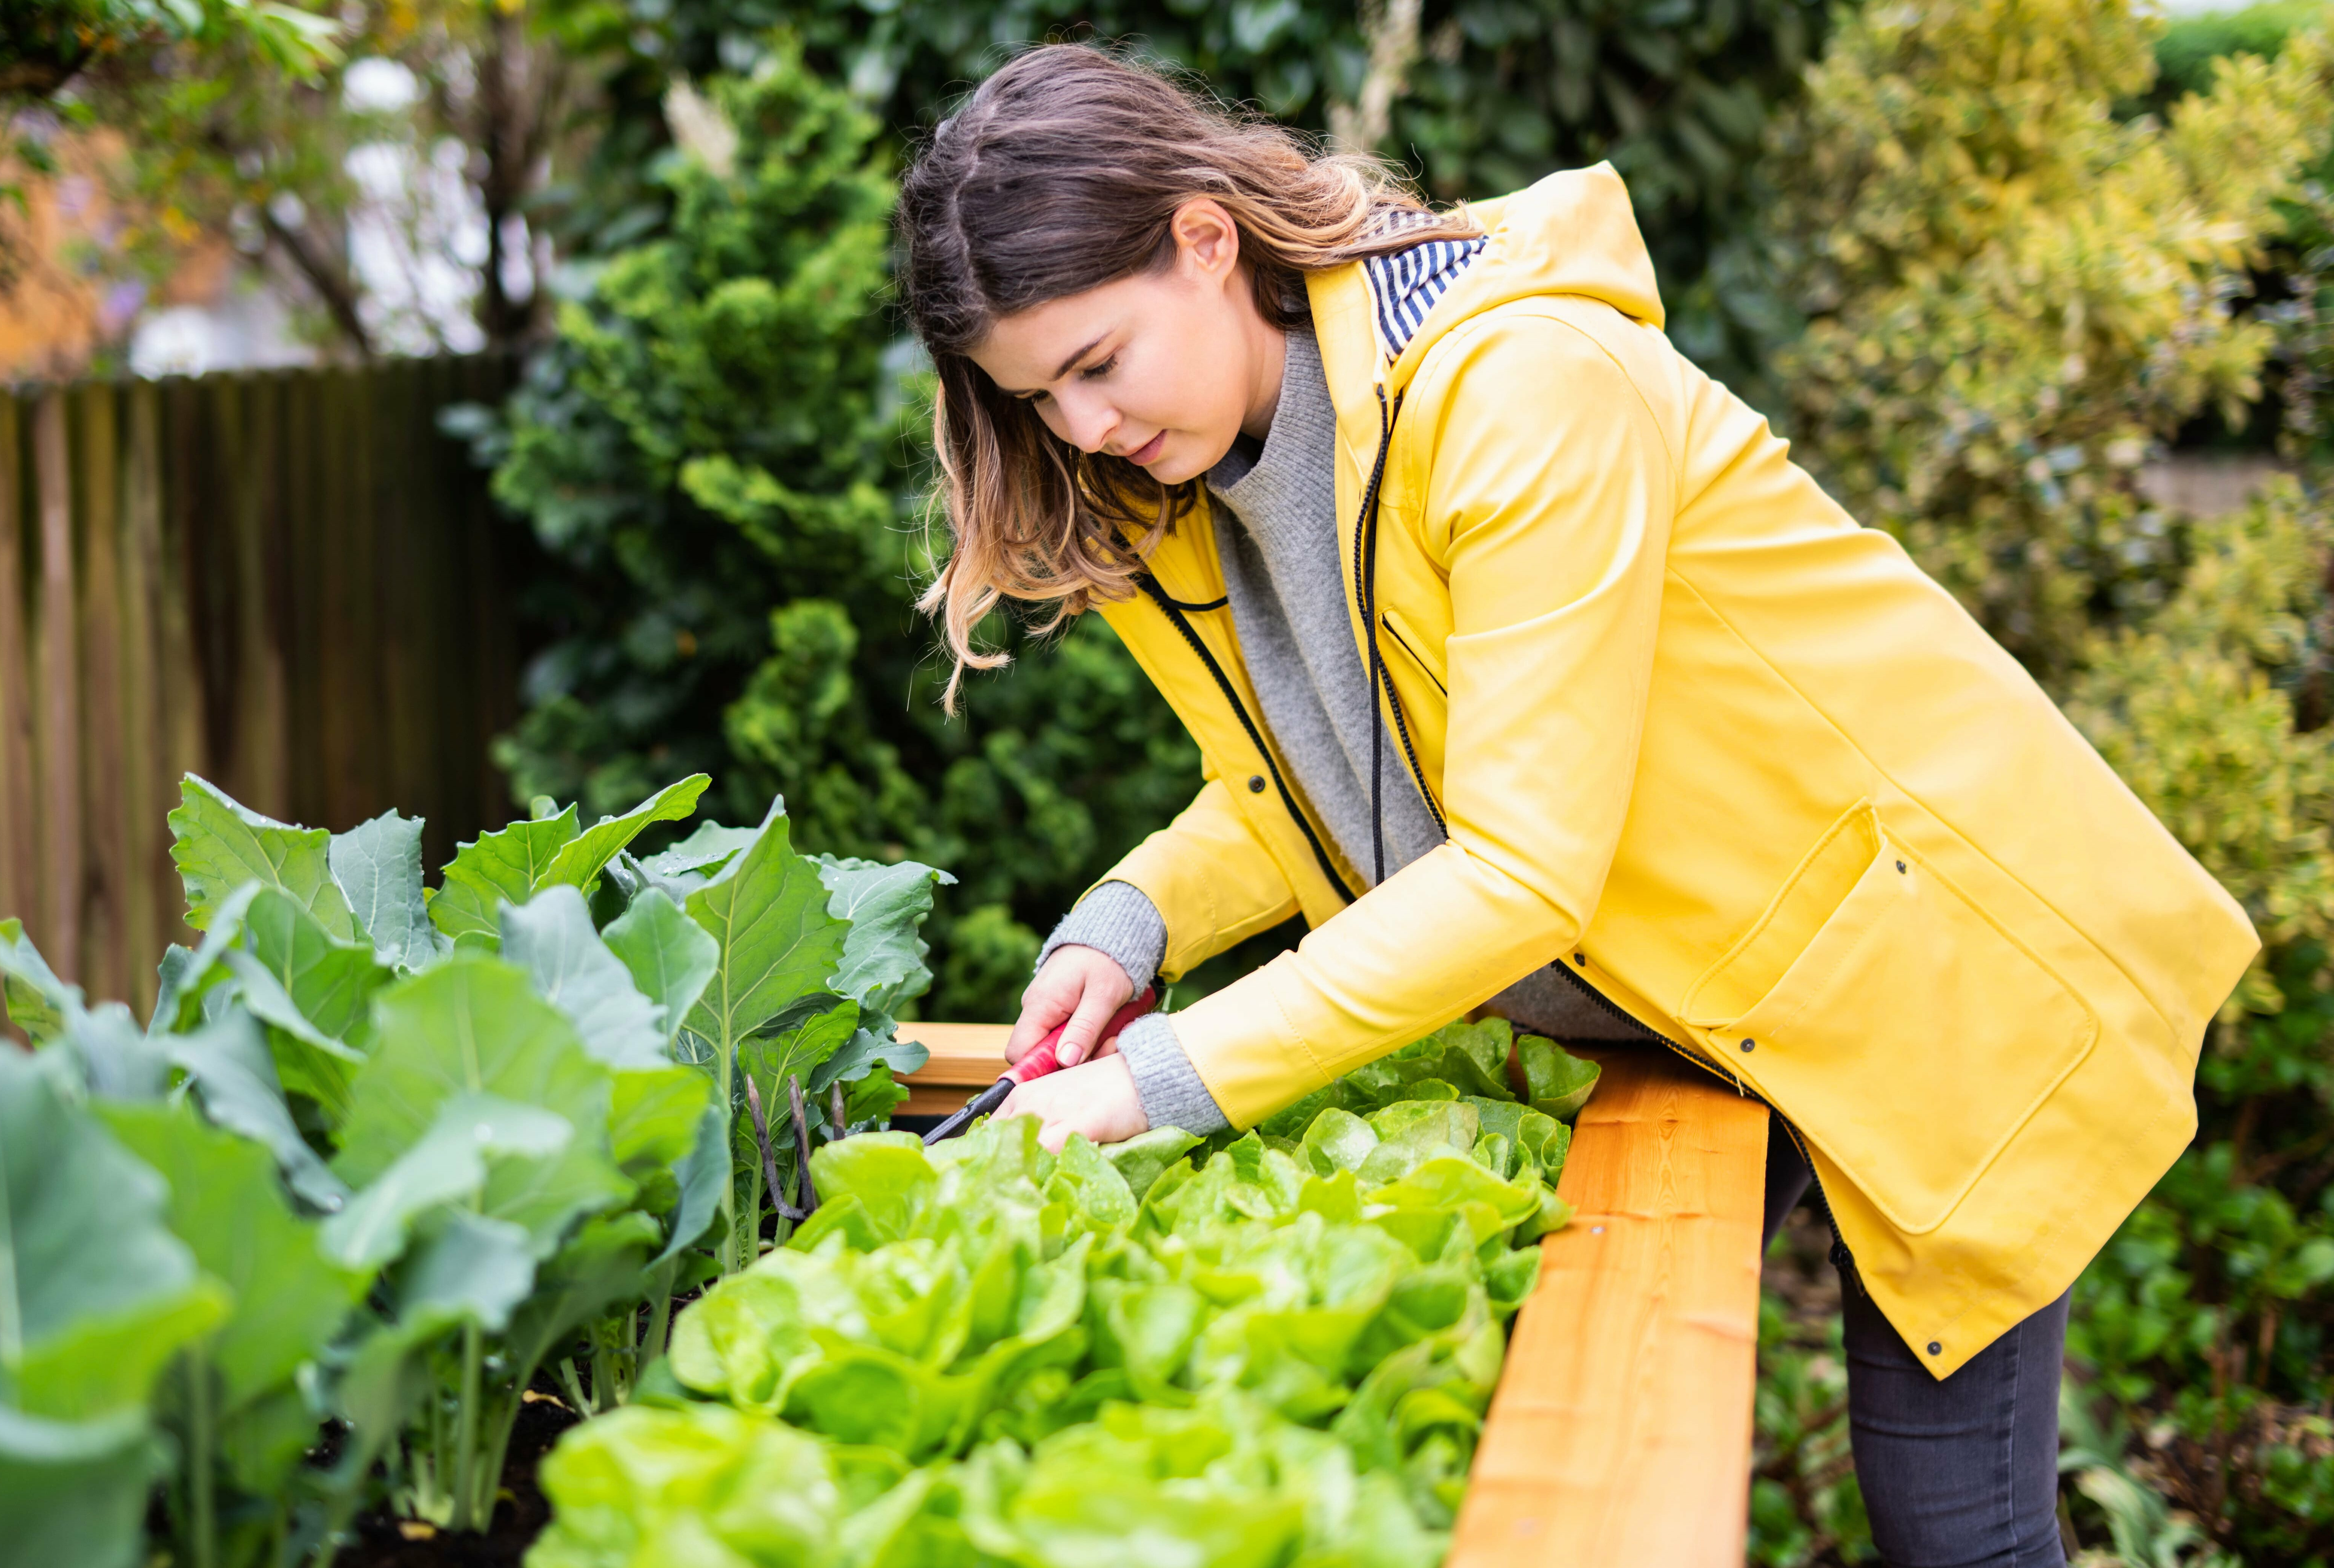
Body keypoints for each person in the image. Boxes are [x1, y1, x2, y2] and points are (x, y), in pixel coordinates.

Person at [894, 43, 2254, 1568]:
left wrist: (1160, 1079)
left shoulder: (1518, 389)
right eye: (1037, 397)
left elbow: (1519, 872)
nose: (1079, 431)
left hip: (1931, 970)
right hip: (1706, 990)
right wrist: (1131, 919)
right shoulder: (1221, 467)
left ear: (1207, 242)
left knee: (1956, 1531)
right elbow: (1330, 776)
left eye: (1095, 363)